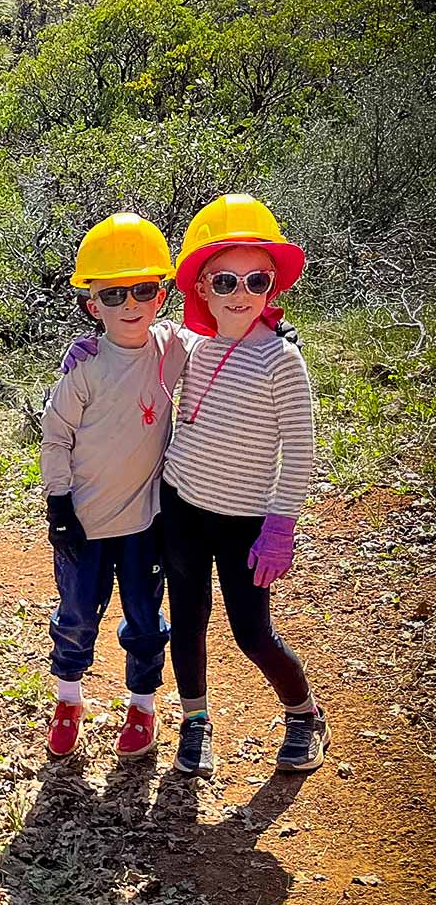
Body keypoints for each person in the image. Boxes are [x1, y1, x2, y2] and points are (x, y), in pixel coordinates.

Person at [160, 194, 327, 778]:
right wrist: (88, 351)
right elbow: (133, 351)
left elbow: (300, 450)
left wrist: (281, 525)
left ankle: (304, 714)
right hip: (180, 510)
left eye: (256, 279)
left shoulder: (283, 361)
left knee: (253, 633)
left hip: (244, 524)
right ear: (202, 287)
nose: (240, 291)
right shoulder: (192, 346)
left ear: (271, 289)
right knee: (188, 620)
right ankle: (196, 722)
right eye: (225, 279)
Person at [41, 213, 194, 761]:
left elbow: (226, 336)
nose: (130, 304)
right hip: (83, 520)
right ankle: (68, 700)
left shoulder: (173, 349)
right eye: (114, 294)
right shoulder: (83, 368)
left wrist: (270, 330)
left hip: (145, 523)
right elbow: (55, 435)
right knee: (78, 615)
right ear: (92, 304)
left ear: (162, 294)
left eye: (144, 289)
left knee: (145, 619)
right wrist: (58, 502)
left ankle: (141, 707)